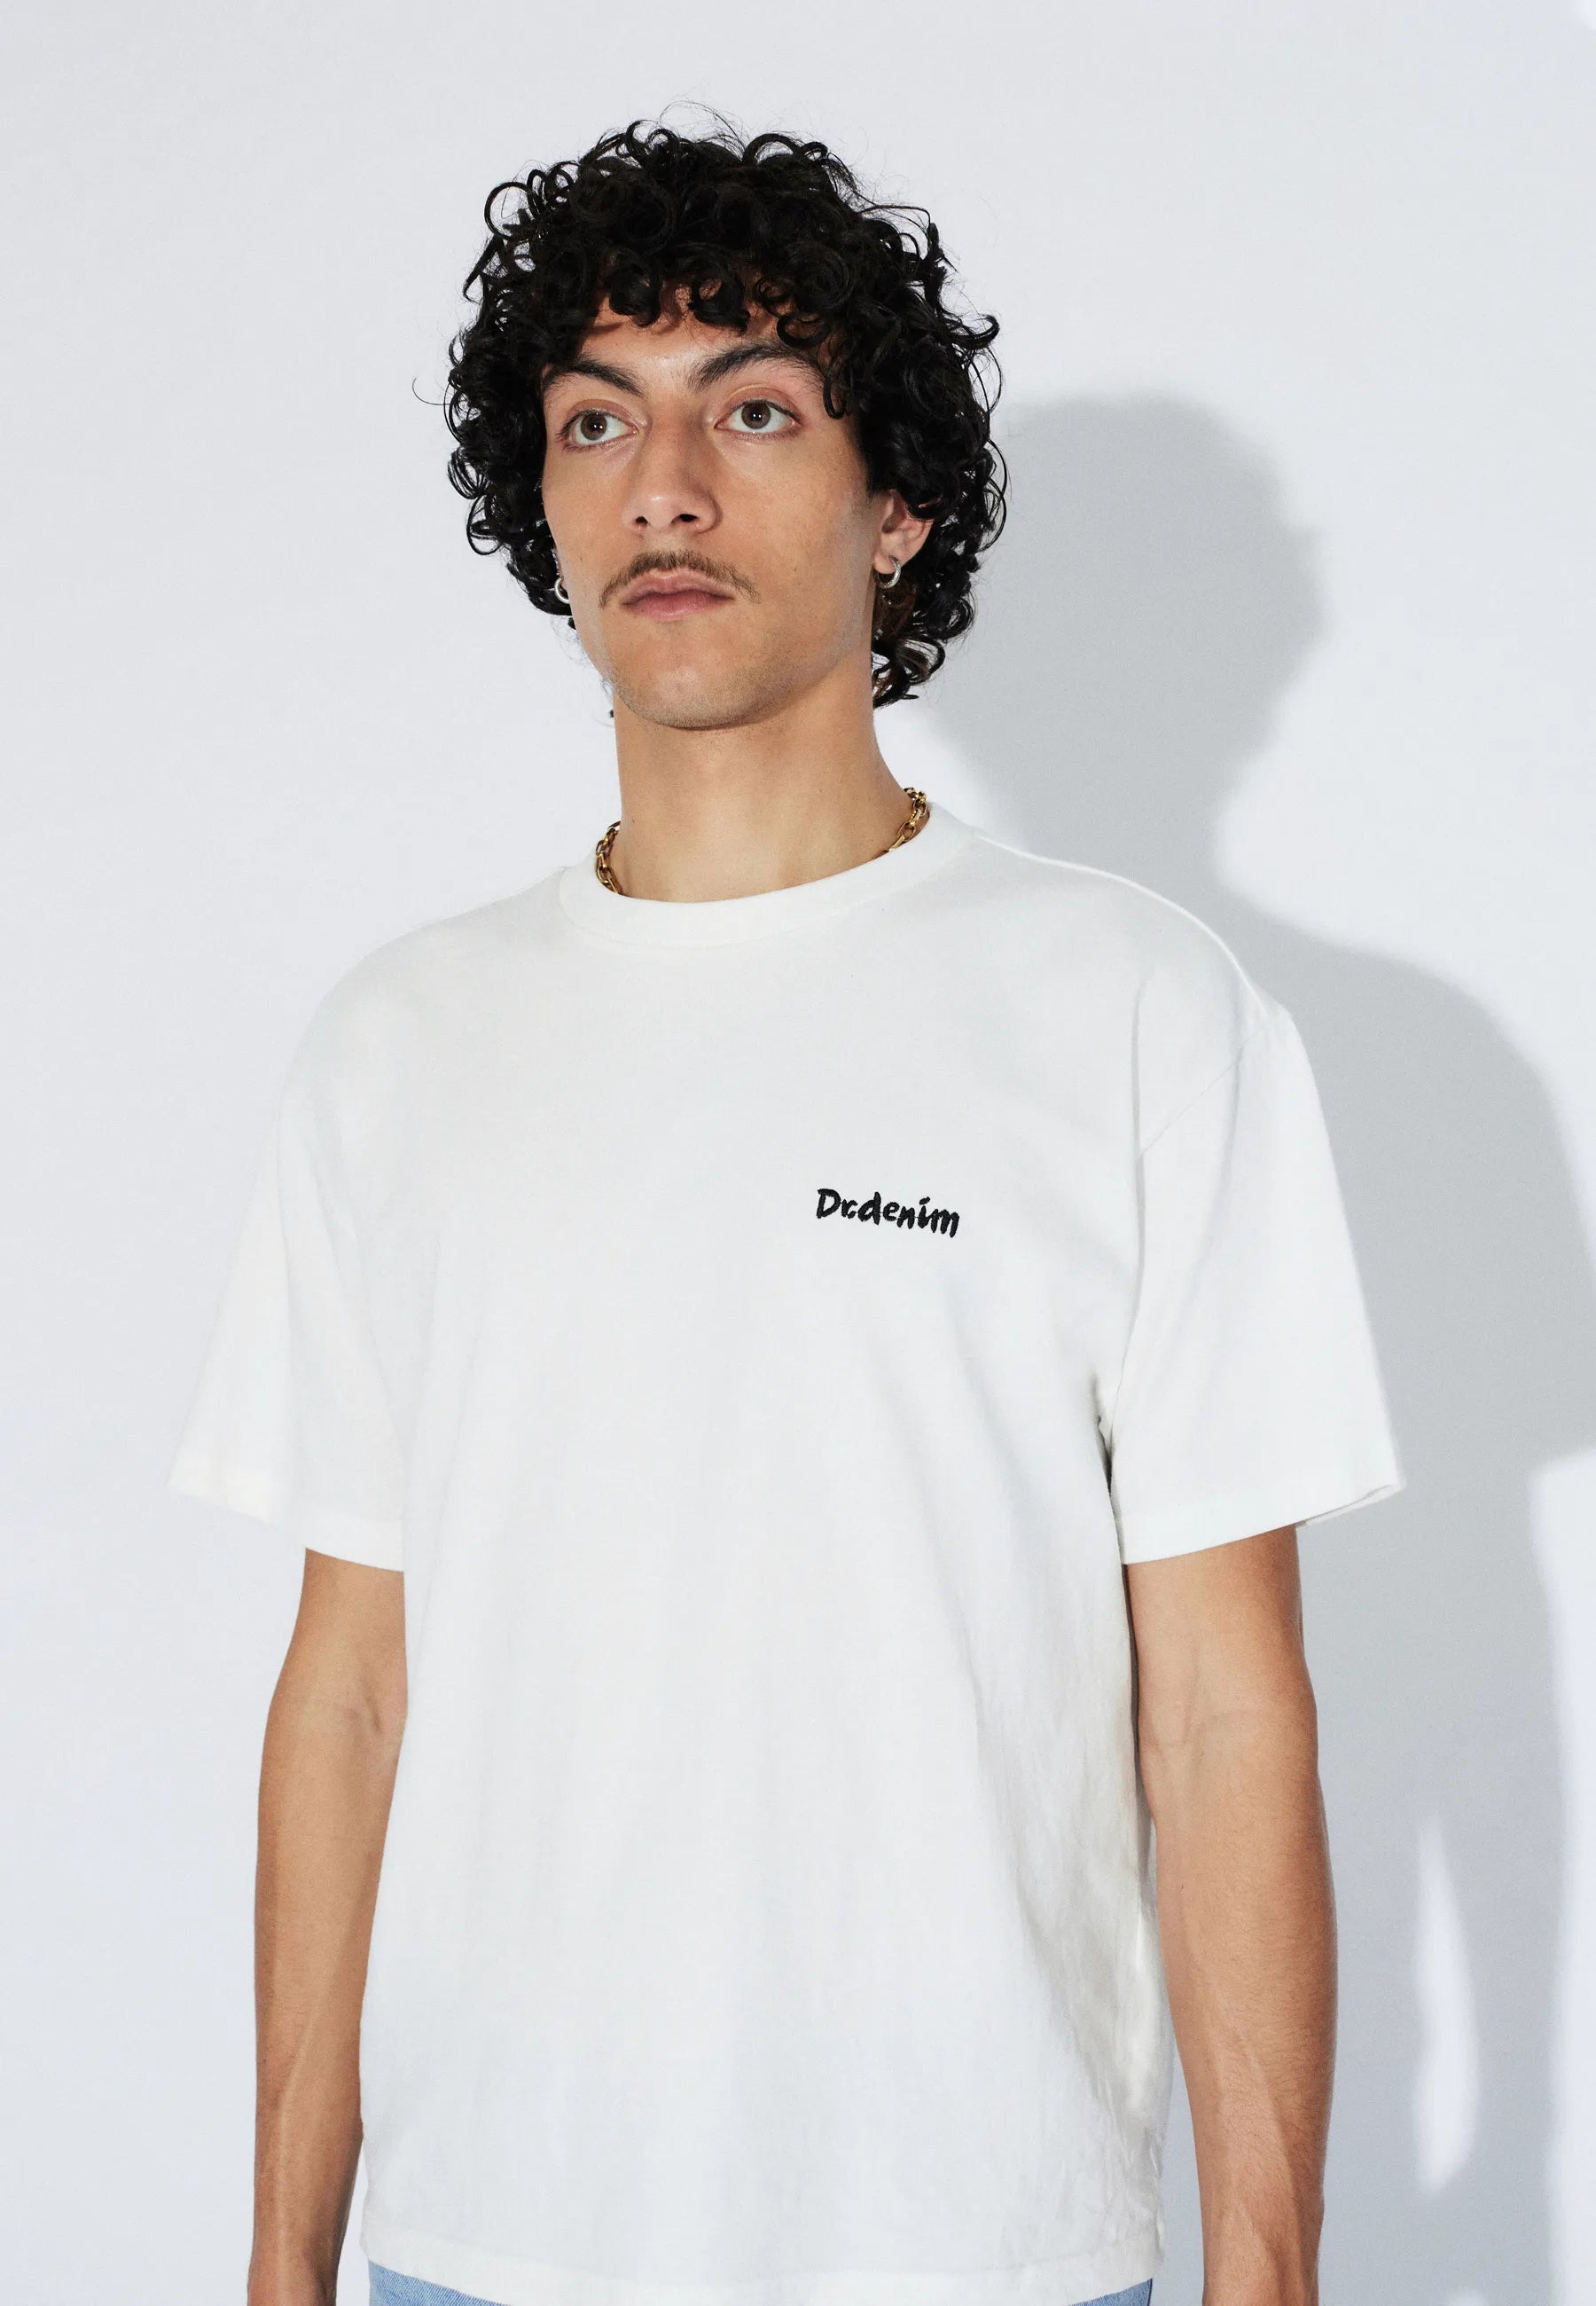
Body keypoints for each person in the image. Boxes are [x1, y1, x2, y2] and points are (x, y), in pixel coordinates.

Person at [167, 119, 1405, 2306]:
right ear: (543, 503)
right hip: (484, 2244)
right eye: (596, 421)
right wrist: (279, 2269)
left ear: (895, 502)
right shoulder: (403, 1044)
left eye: (751, 410)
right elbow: (347, 1694)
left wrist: (1270, 2272)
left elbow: (1224, 1710)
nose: (664, 485)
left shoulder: (1134, 1011)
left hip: (986, 2248)